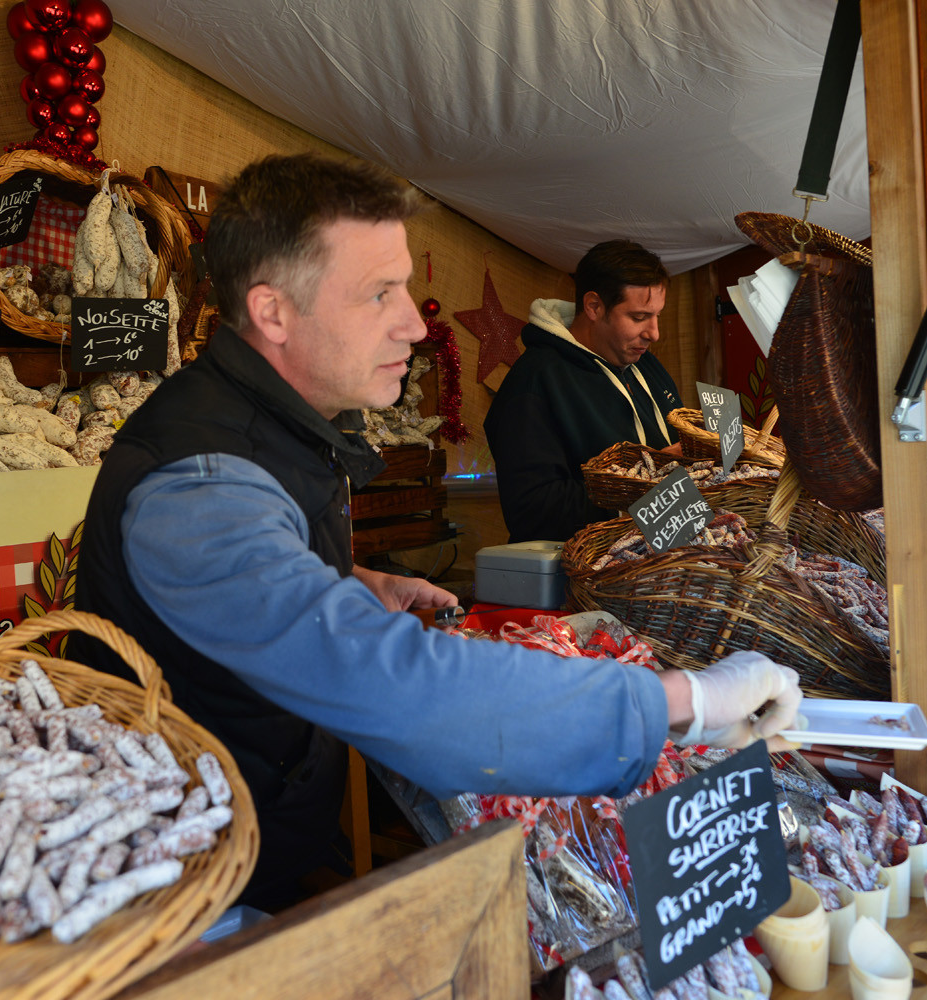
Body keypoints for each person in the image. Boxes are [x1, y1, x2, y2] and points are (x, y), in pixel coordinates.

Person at [71, 154, 800, 909]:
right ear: (272, 312)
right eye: (378, 293)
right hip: (181, 886)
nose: (415, 323)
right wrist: (677, 703)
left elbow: (246, 586)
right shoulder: (198, 485)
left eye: (406, 288)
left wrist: (350, 582)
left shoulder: (274, 428)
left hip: (260, 827)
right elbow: (388, 681)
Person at [484, 240, 685, 543]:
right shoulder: (534, 382)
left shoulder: (645, 365)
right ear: (594, 306)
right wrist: (648, 473)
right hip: (584, 577)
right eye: (639, 317)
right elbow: (532, 512)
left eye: (657, 315)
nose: (653, 333)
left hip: (667, 564)